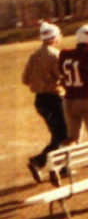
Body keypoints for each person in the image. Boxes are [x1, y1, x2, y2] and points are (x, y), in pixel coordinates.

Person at [21, 22, 67, 183]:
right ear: (55, 37)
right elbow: (62, 76)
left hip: (40, 100)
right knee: (64, 134)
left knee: (58, 134)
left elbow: (25, 79)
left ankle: (60, 166)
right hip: (55, 98)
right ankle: (41, 162)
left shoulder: (34, 56)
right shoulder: (55, 55)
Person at [58, 24, 88, 144]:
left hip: (68, 100)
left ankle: (63, 162)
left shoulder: (64, 54)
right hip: (86, 100)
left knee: (72, 138)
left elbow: (62, 76)